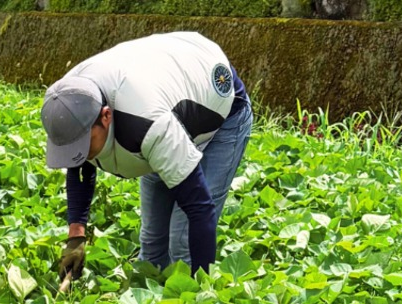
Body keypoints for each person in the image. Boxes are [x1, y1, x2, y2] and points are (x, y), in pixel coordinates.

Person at [40, 31, 253, 281]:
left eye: (84, 144)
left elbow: (200, 209)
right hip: (168, 92)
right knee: (153, 240)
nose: (81, 153)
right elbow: (79, 163)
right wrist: (76, 236)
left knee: (183, 241)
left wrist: (200, 294)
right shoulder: (68, 98)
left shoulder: (147, 124)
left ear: (106, 116)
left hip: (221, 110)